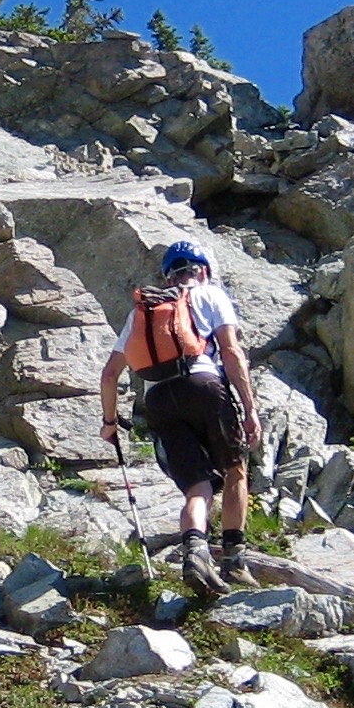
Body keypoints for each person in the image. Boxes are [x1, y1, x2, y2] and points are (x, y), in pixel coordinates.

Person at [98, 238, 263, 597]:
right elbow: (231, 352)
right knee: (235, 469)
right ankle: (234, 560)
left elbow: (109, 375)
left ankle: (196, 550)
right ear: (201, 270)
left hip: (158, 396)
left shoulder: (142, 313)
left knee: (197, 485)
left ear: (169, 276)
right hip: (204, 384)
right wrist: (250, 409)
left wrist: (110, 424)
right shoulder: (210, 294)